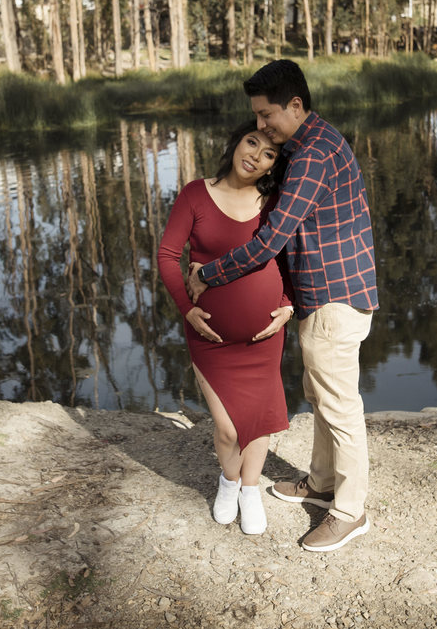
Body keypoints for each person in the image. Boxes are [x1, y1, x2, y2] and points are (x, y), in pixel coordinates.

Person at [186, 59, 378, 553]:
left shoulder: (312, 156)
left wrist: (208, 274)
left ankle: (350, 511)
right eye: (256, 116)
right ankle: (322, 483)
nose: (260, 125)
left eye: (267, 114)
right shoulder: (312, 142)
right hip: (324, 295)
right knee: (320, 395)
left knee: (339, 406)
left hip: (336, 298)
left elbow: (271, 241)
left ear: (295, 105)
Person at [157, 121, 296, 535]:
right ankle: (229, 480)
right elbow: (167, 255)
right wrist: (186, 308)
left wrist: (287, 304)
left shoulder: (274, 203)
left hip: (264, 336)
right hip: (211, 338)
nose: (255, 155)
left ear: (273, 165)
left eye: (269, 153)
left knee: (260, 419)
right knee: (228, 426)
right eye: (251, 142)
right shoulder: (195, 194)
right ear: (236, 142)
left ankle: (250, 490)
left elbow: (290, 257)